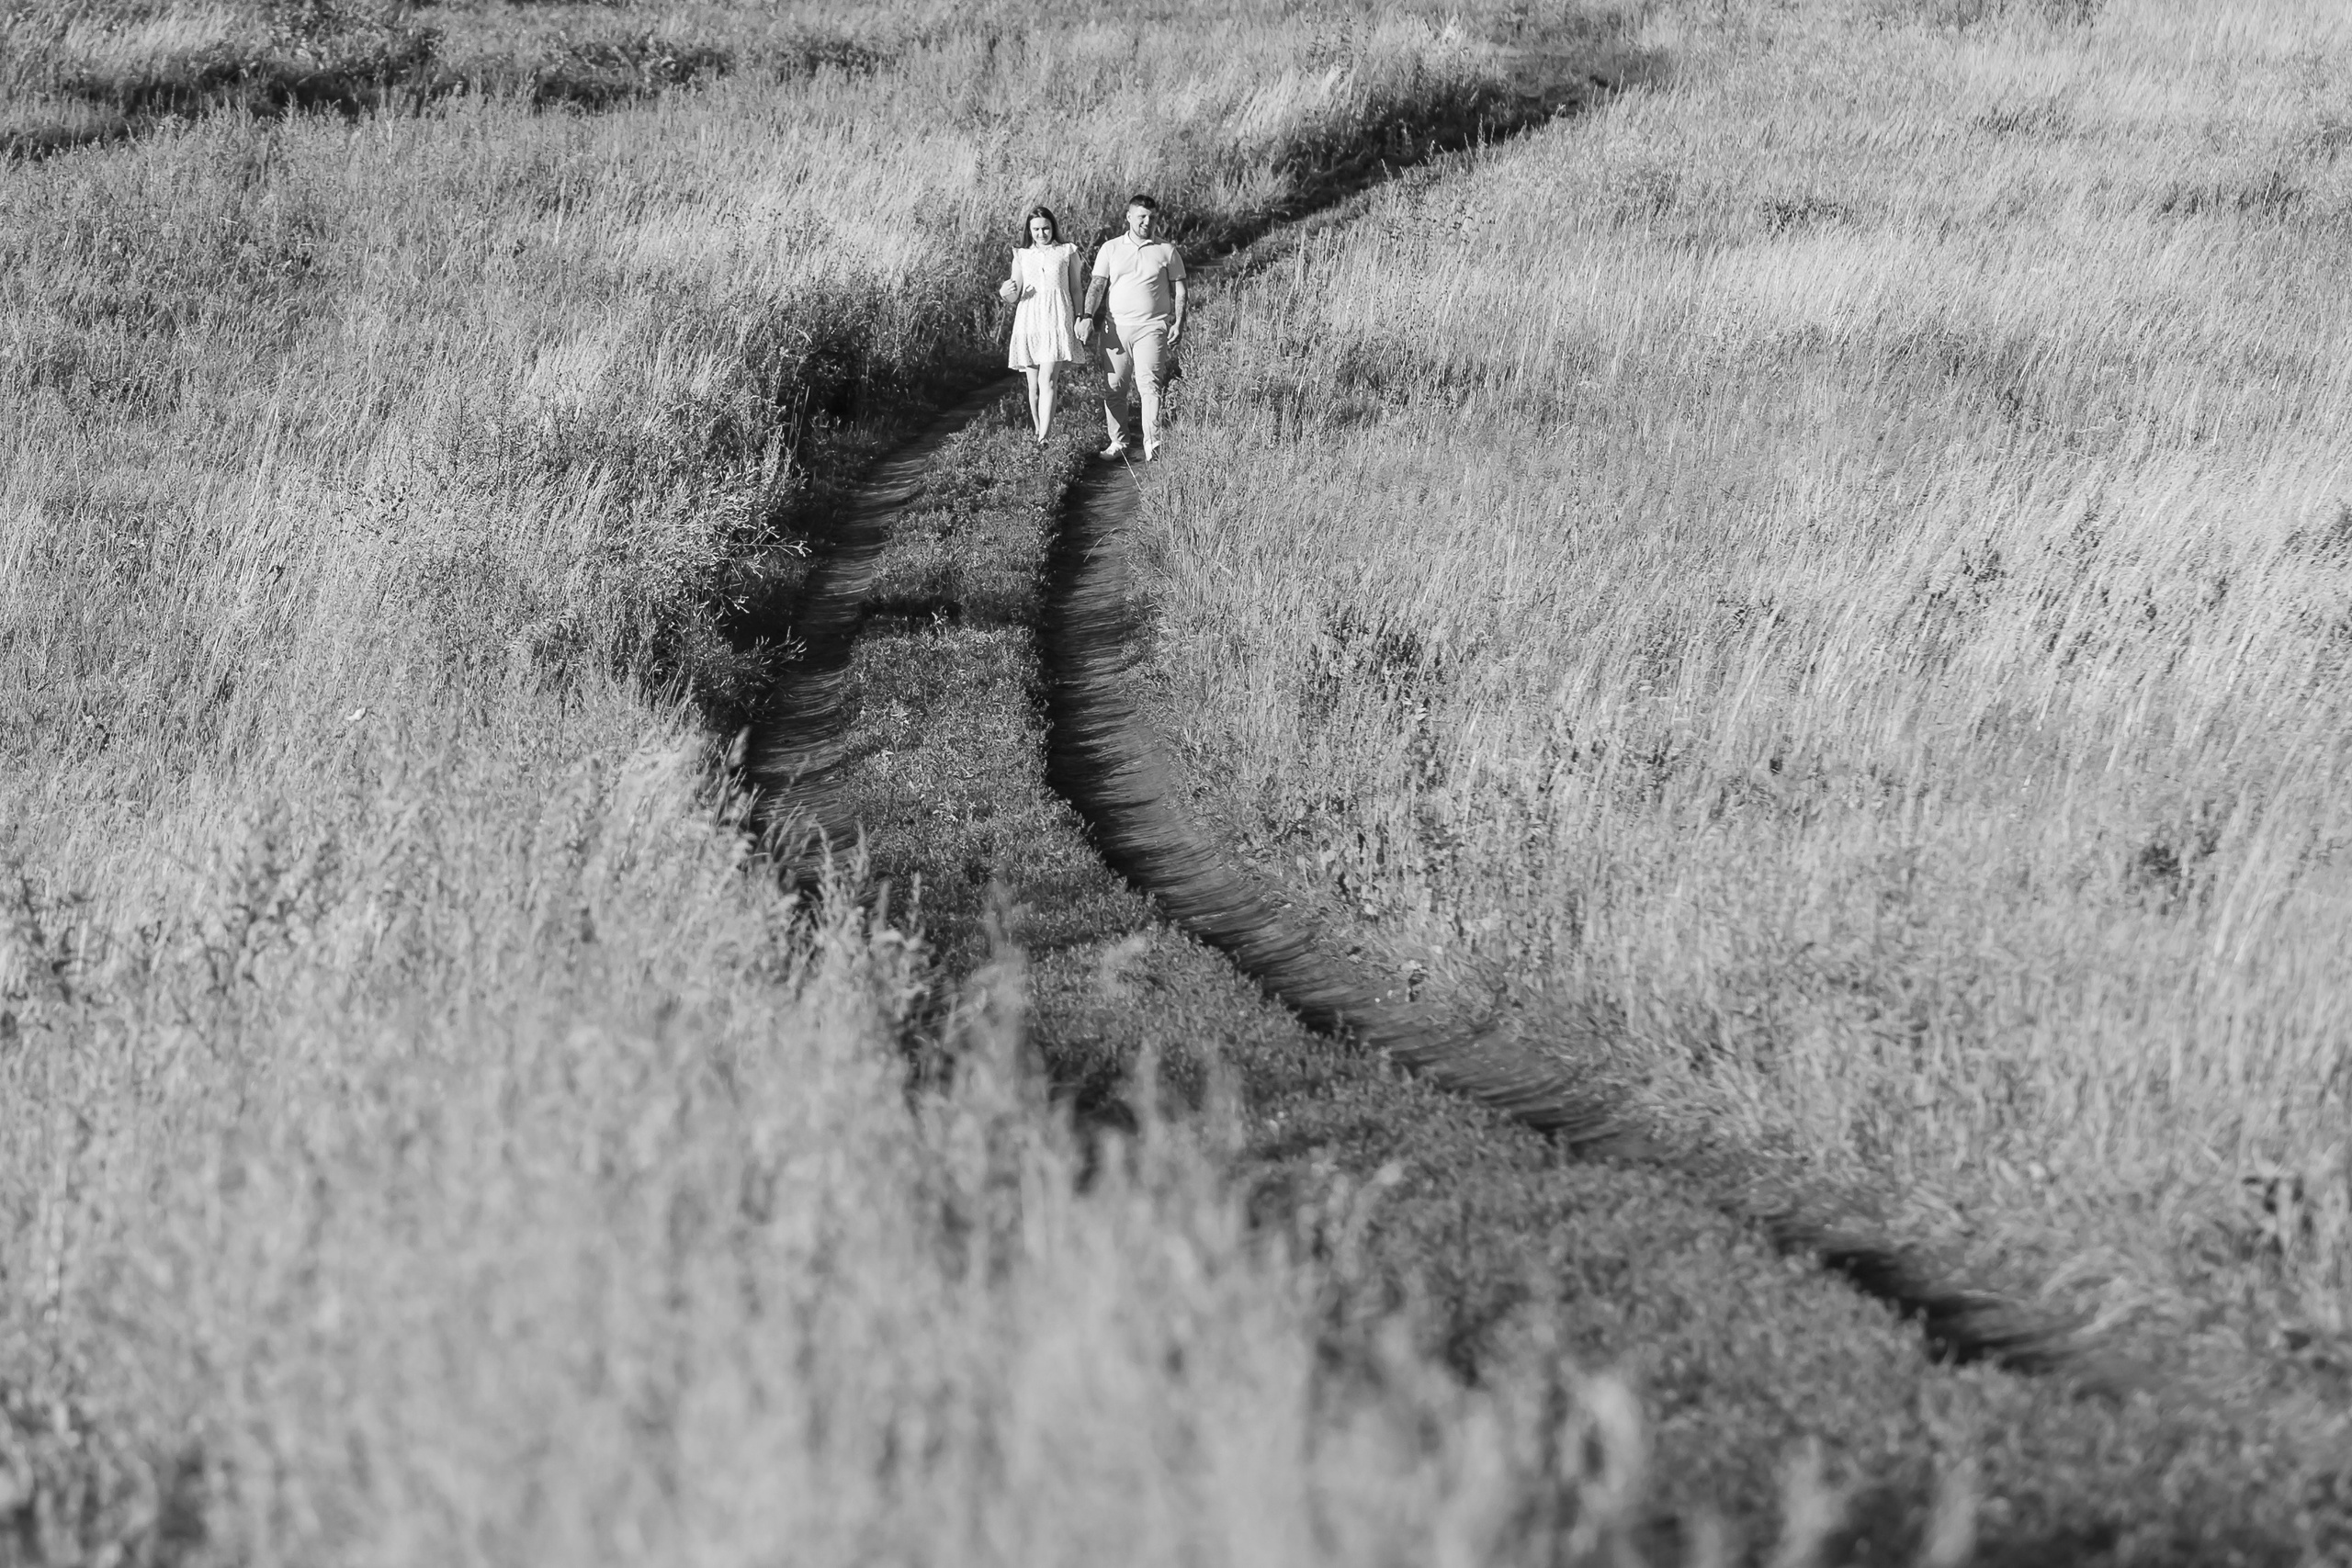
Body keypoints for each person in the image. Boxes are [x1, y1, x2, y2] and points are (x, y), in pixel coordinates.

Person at [1078, 194, 1185, 460]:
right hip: (1116, 327)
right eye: (1142, 217)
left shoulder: (1166, 250)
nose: (1147, 222)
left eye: (1152, 218)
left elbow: (1180, 290)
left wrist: (1180, 322)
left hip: (1152, 327)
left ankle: (1153, 442)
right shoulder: (1111, 248)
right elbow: (1098, 284)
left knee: (1148, 384)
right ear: (1129, 217)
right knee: (1114, 387)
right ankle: (1119, 442)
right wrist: (1088, 316)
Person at [1000, 205, 1083, 445]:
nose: (1041, 234)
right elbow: (1013, 294)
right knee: (1033, 386)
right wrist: (1004, 293)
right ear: (1029, 230)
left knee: (1048, 379)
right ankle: (1038, 430)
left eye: (1045, 228)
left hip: (1057, 319)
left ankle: (1044, 437)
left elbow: (1076, 289)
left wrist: (1080, 316)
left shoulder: (1068, 252)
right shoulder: (1022, 255)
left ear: (1053, 227)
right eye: (1036, 229)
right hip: (1030, 320)